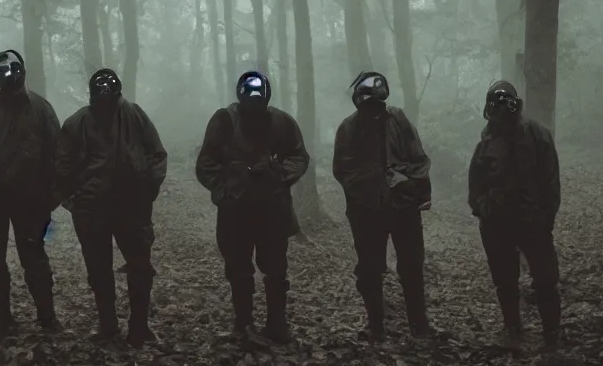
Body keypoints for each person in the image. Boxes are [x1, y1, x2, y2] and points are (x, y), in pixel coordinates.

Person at [195, 71, 310, 343]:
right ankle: (243, 323)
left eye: (260, 91)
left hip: (273, 208)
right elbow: (206, 164)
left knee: (276, 269)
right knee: (238, 269)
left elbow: (299, 155)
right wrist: (225, 189)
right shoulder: (224, 120)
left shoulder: (282, 122)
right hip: (236, 211)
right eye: (250, 90)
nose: (255, 96)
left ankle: (276, 322)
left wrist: (277, 173)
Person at [57, 68, 167, 348]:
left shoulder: (134, 115)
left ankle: (139, 327)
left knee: (140, 267)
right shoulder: (76, 123)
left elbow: (156, 154)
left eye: (111, 93)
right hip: (92, 211)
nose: (107, 99)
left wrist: (147, 191)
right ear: (92, 95)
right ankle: (108, 325)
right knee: (98, 269)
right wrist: (74, 203)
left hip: (132, 207)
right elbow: (61, 168)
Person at [0, 50, 62, 336]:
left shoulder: (41, 109)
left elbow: (58, 155)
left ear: (22, 72)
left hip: (31, 202)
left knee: (34, 259)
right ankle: (3, 320)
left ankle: (48, 319)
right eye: (3, 71)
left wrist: (50, 198)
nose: (8, 76)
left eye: (13, 70)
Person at [332, 71, 432, 342]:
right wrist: (369, 188)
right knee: (369, 269)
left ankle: (419, 324)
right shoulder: (348, 128)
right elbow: (342, 170)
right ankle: (376, 325)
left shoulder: (398, 120)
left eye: (376, 102)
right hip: (366, 212)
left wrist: (410, 185)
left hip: (403, 208)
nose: (373, 109)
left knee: (411, 267)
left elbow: (419, 159)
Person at [468, 80, 561, 349]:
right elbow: (475, 185)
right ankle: (512, 328)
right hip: (497, 224)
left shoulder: (537, 135)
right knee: (505, 281)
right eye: (496, 104)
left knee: (545, 280)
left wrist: (546, 218)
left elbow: (551, 181)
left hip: (533, 222)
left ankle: (552, 332)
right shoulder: (486, 142)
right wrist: (485, 209)